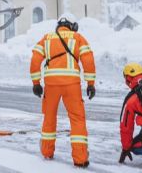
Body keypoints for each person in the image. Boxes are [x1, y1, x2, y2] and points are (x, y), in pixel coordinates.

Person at [29, 14, 96, 168]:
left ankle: (47, 152)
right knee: (77, 119)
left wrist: (36, 83)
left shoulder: (46, 38)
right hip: (72, 84)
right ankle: (80, 158)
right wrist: (90, 83)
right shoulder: (78, 38)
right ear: (73, 25)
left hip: (51, 85)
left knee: (49, 117)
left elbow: (35, 59)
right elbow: (88, 60)